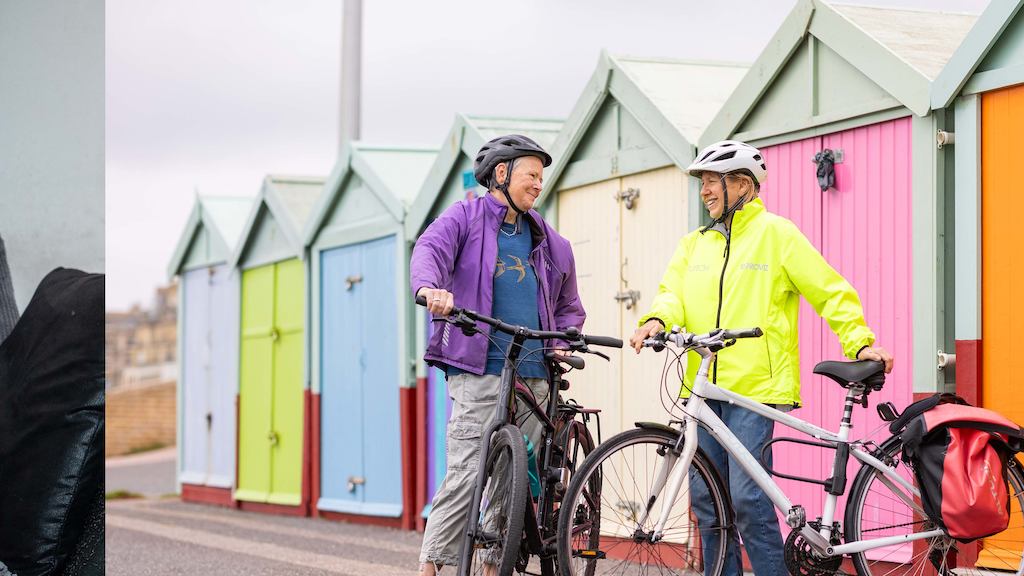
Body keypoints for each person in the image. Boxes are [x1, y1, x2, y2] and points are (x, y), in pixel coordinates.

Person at [629, 140, 894, 575]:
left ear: (743, 185)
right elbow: (671, 293)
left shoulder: (777, 235)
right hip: (703, 387)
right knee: (707, 500)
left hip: (756, 388)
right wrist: (657, 319)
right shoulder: (694, 244)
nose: (704, 191)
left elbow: (829, 290)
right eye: (702, 183)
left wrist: (859, 342)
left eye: (712, 182)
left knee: (748, 499)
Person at [410, 134, 586, 575]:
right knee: (467, 472)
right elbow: (429, 250)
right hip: (479, 367)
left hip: (536, 371)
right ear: (502, 173)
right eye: (532, 174)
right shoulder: (464, 218)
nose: (539, 184)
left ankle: (493, 566)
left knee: (516, 478)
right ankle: (430, 568)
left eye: (542, 177)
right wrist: (430, 288)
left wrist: (564, 340)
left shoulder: (551, 241)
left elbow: (569, 304)